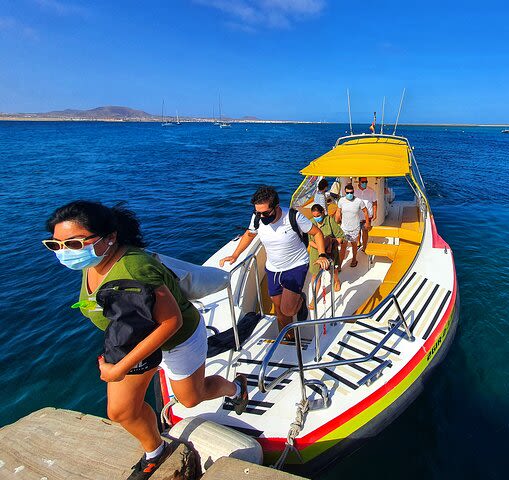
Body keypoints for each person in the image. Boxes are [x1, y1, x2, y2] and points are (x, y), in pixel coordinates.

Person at [43, 201, 248, 480]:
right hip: (132, 337)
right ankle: (155, 449)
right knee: (122, 411)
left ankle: (235, 389)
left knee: (191, 398)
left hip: (178, 338)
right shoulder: (93, 261)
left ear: (109, 238)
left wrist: (119, 368)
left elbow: (171, 321)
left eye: (75, 244)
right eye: (55, 245)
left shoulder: (136, 269)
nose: (65, 252)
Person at [219, 186, 330, 339]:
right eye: (258, 213)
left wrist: (322, 254)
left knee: (288, 310)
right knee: (278, 309)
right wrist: (235, 255)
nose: (262, 216)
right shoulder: (257, 218)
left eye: (265, 213)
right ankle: (288, 338)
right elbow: (250, 234)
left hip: (295, 265)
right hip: (273, 269)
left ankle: (301, 300)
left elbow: (317, 232)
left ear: (276, 207)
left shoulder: (293, 216)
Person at [308, 204, 344, 309]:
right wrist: (321, 249)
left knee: (333, 270)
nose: (316, 218)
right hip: (316, 253)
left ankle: (336, 281)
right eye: (314, 216)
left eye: (318, 215)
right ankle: (314, 299)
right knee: (315, 276)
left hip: (331, 252)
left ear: (323, 213)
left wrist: (331, 243)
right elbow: (310, 242)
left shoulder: (329, 221)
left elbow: (340, 236)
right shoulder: (311, 223)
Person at [335, 183, 369, 268]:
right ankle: (339, 265)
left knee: (354, 245)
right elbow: (338, 212)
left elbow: (365, 211)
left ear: (353, 192)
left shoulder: (359, 201)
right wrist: (336, 222)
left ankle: (354, 259)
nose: (349, 194)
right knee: (343, 247)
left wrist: (367, 222)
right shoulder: (341, 201)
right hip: (344, 228)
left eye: (351, 192)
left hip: (355, 228)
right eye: (347, 193)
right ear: (345, 192)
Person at [355, 176, 378, 250]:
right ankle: (358, 243)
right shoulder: (355, 191)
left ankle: (364, 247)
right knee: (357, 231)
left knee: (365, 232)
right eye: (363, 182)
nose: (364, 183)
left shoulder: (371, 191)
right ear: (359, 182)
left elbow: (374, 203)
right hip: (357, 216)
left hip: (367, 216)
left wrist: (375, 214)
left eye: (366, 182)